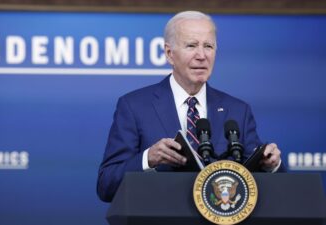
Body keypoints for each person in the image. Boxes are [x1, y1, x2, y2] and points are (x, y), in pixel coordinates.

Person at [97, 11, 284, 202]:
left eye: (208, 46)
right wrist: (148, 159)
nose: (201, 55)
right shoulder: (134, 106)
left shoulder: (238, 111)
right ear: (170, 54)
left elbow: (266, 186)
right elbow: (106, 186)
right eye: (191, 45)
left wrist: (272, 166)